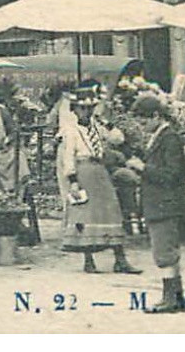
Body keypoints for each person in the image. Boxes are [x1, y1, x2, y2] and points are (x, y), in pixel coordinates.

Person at [56, 82, 140, 275]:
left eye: (90, 108)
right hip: (83, 170)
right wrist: (73, 181)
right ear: (74, 110)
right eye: (82, 108)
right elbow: (68, 157)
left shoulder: (96, 127)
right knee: (85, 214)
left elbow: (118, 138)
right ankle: (89, 260)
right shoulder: (71, 130)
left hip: (100, 171)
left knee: (111, 211)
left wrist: (105, 122)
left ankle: (120, 259)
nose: (86, 112)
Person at [133, 93, 185, 313]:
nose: (142, 126)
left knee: (164, 251)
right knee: (165, 249)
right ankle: (175, 296)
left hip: (165, 202)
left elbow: (173, 174)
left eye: (145, 120)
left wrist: (142, 168)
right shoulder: (160, 136)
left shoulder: (169, 137)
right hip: (159, 202)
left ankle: (171, 299)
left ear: (157, 116)